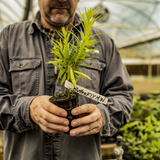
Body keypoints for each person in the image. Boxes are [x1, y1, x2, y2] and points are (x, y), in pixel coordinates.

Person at [0, 0, 134, 160]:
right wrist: (27, 109)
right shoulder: (9, 38)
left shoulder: (103, 43)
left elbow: (123, 98)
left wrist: (104, 115)